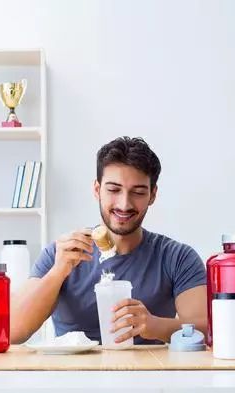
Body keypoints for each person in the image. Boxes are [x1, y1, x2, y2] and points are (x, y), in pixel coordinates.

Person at [11, 136, 207, 345]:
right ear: (97, 190)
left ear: (152, 195)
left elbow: (205, 330)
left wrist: (155, 326)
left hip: (149, 375)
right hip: (72, 376)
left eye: (138, 192)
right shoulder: (60, 254)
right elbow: (13, 331)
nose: (124, 204)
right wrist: (58, 272)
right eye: (113, 190)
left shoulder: (177, 258)